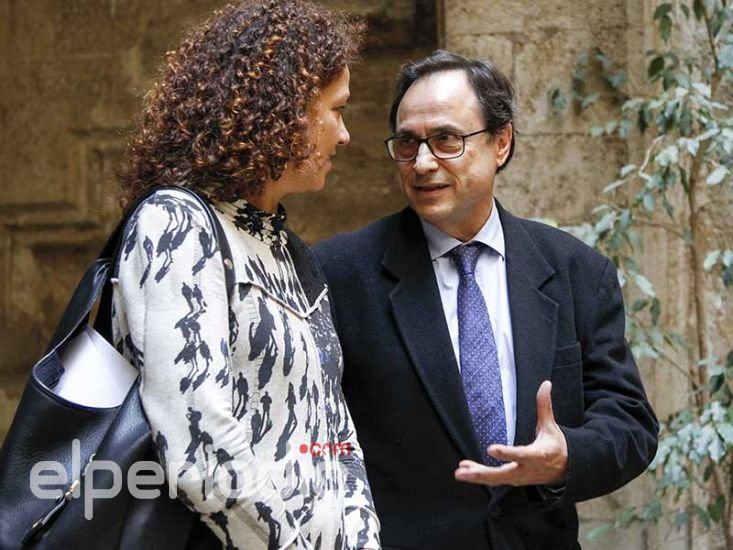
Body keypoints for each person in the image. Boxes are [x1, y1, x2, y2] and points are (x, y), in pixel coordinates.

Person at [313, 50, 659, 549]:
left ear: (501, 142)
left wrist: (565, 456)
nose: (423, 163)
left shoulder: (576, 270)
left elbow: (630, 423)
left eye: (446, 140)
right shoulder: (340, 273)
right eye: (407, 143)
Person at [113, 1, 380, 548]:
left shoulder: (289, 250)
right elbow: (200, 449)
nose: (345, 135)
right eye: (336, 110)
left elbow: (335, 434)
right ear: (284, 111)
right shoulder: (178, 225)